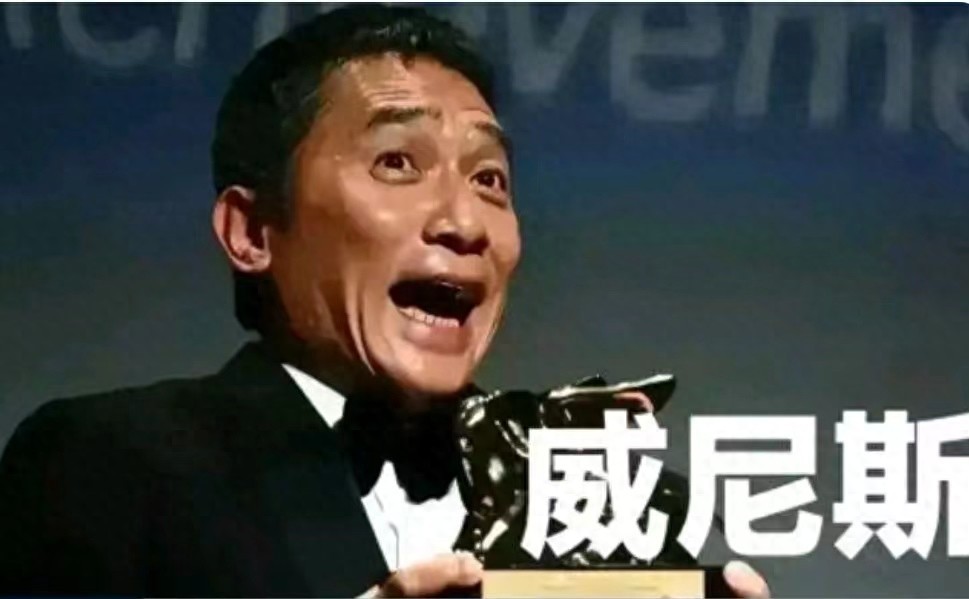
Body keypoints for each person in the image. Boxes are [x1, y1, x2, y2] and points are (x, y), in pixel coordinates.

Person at [0, 5, 770, 597]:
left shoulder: (591, 493)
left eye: (489, 179)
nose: (464, 221)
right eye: (397, 162)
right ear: (252, 231)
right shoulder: (107, 463)